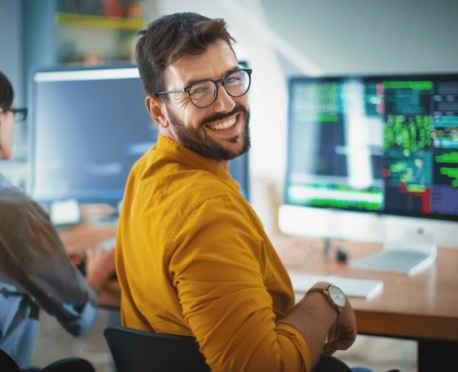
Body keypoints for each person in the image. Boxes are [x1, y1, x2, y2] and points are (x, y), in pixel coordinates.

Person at [116, 13, 357, 372]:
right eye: (198, 90)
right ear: (158, 111)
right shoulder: (209, 212)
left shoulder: (145, 173)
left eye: (231, 78)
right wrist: (326, 300)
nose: (226, 104)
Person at [0, 70, 116, 370]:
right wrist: (98, 274)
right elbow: (79, 319)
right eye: (14, 114)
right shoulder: (17, 212)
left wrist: (50, 261)